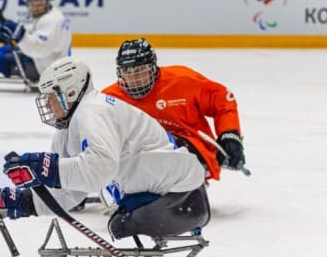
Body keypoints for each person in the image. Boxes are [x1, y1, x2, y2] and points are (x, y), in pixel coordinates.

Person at [0, 56, 210, 240]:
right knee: (120, 222)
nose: (46, 103)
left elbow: (100, 169)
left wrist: (47, 169)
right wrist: (16, 202)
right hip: (162, 189)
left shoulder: (92, 111)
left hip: (180, 193)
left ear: (71, 92)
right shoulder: (66, 131)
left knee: (122, 222)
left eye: (51, 96)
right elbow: (70, 193)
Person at [102, 38, 246, 182]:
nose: (134, 79)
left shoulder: (182, 80)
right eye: (128, 71)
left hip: (191, 148)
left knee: (160, 147)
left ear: (153, 68)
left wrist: (229, 134)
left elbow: (222, 99)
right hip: (139, 156)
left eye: (140, 70)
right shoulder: (110, 98)